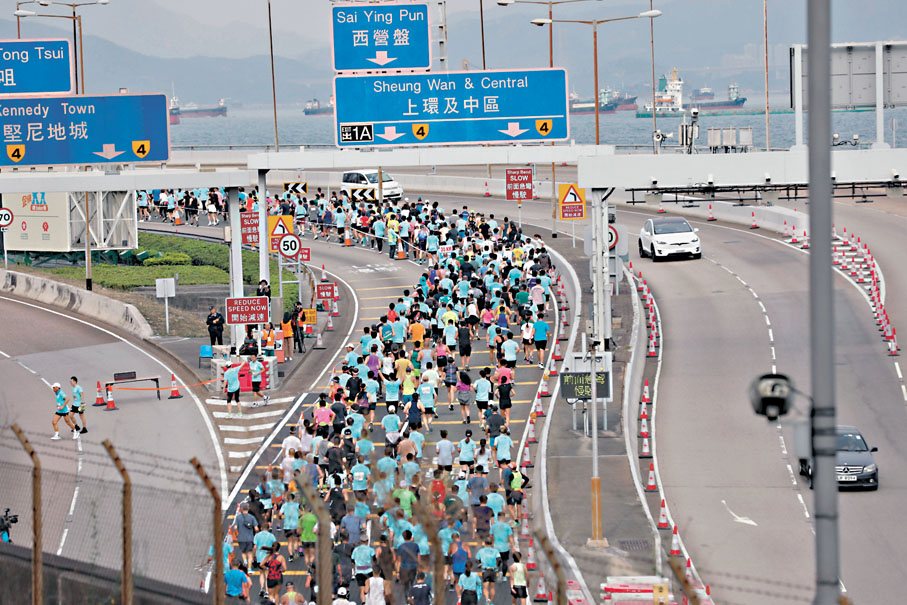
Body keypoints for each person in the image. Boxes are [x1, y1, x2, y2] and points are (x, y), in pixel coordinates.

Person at [476, 536, 501, 603]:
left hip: (485, 571)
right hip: (493, 570)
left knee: (485, 588)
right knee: (492, 588)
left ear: (485, 543)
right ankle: (491, 602)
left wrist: (480, 565)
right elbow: (499, 559)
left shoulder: (481, 551)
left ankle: (487, 600)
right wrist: (497, 566)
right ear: (492, 543)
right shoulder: (495, 551)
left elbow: (477, 559)